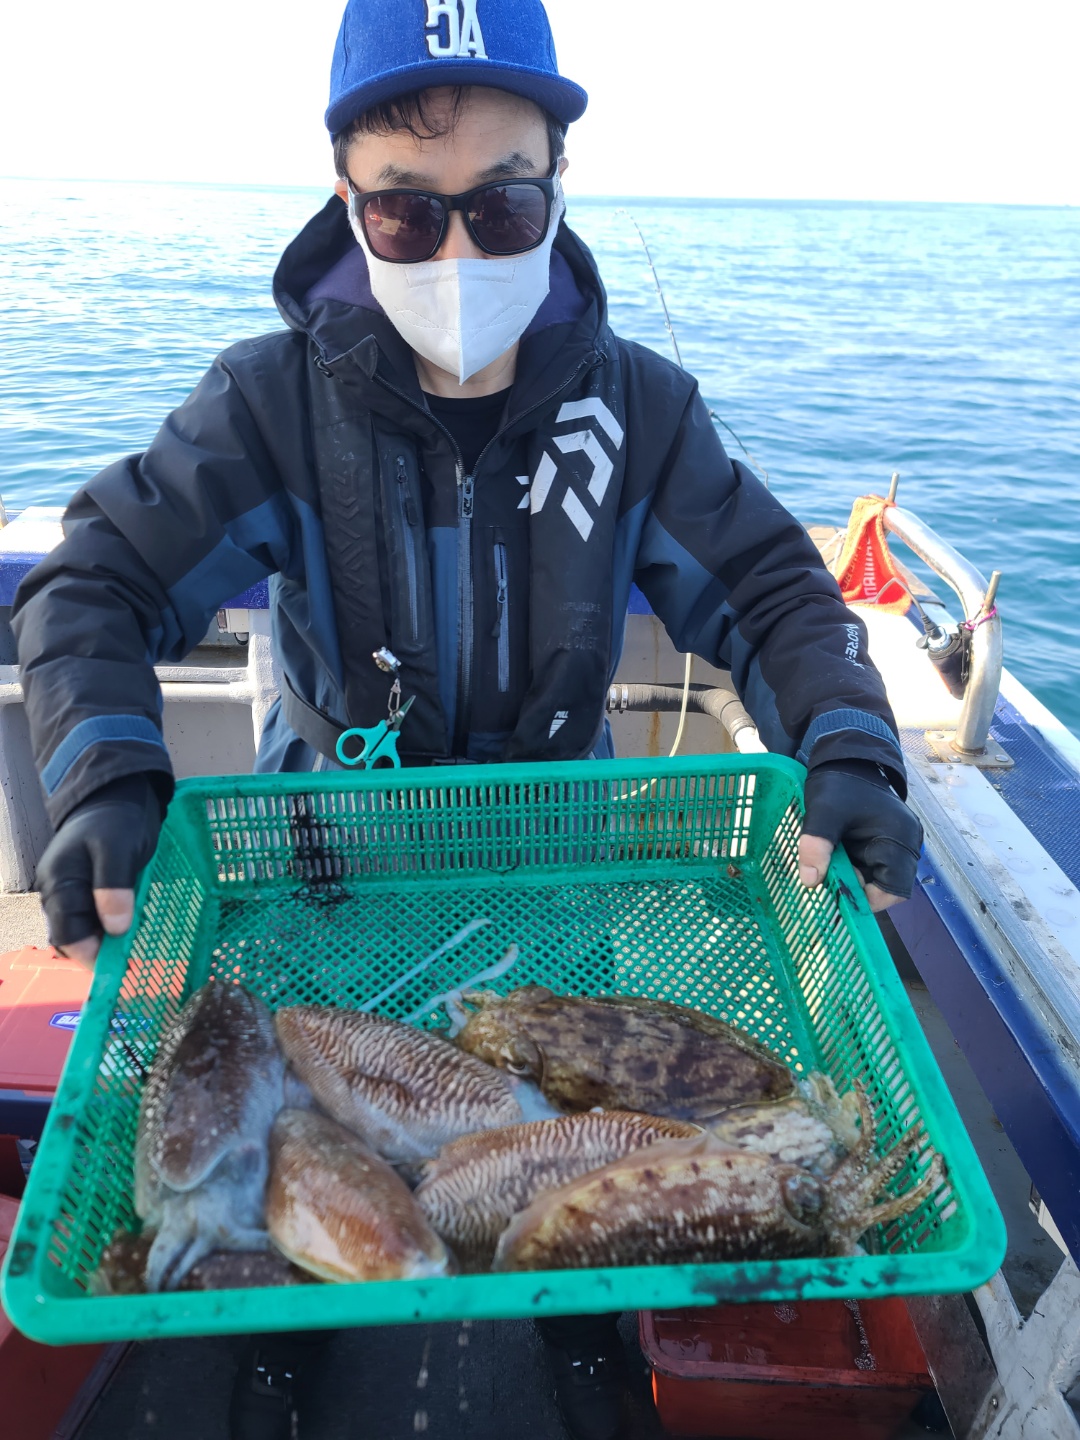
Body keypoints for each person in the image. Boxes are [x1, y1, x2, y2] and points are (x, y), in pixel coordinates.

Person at [12, 2, 923, 1437]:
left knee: (569, 1188)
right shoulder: (266, 405)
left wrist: (851, 748)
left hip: (558, 870)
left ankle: (582, 1356)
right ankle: (289, 1364)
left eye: (501, 206)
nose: (455, 255)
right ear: (347, 203)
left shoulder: (641, 413)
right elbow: (95, 584)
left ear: (558, 187)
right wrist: (104, 778)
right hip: (327, 879)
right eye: (405, 210)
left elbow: (771, 590)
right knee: (309, 1196)